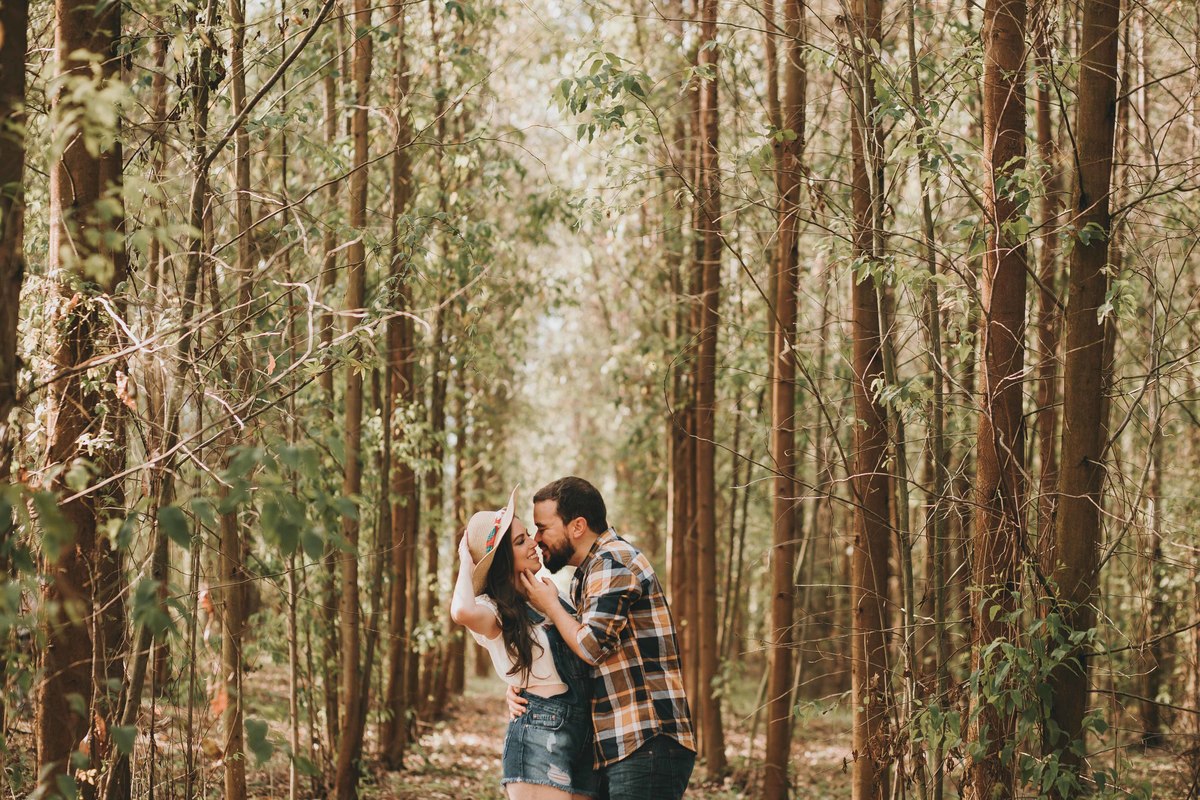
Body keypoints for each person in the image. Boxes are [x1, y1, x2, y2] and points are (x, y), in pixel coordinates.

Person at [511, 476, 696, 800]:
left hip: (646, 739)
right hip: (622, 743)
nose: (537, 539)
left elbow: (591, 646)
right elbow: (573, 657)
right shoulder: (589, 573)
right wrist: (519, 686)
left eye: (542, 528)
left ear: (577, 526)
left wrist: (550, 606)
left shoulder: (613, 562)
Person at [450, 487, 599, 800]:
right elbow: (461, 611)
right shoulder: (492, 611)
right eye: (520, 541)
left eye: (528, 535)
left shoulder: (552, 595)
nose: (533, 543)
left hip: (585, 736)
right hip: (538, 734)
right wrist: (467, 560)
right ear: (503, 560)